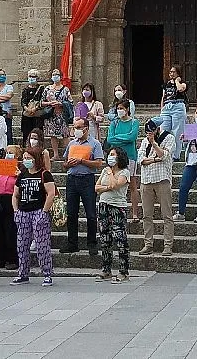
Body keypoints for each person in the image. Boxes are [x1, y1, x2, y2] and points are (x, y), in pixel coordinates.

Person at [12, 147, 56, 287]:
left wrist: (44, 211)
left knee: (42, 244)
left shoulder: (44, 174)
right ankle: (23, 273)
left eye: (29, 158)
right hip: (23, 212)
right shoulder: (22, 175)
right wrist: (16, 210)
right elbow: (15, 194)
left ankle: (47, 273)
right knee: (22, 244)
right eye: (24, 158)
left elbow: (51, 193)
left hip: (38, 211)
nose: (26, 161)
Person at [61, 118, 104, 255]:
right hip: (72, 179)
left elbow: (98, 163)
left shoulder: (94, 143)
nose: (76, 130)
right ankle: (72, 243)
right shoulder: (72, 143)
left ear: (86, 128)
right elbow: (64, 163)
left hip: (87, 179)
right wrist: (69, 164)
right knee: (71, 213)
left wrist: (82, 161)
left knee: (91, 214)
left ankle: (92, 243)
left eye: (79, 127)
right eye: (75, 127)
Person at [137, 119, 176, 256]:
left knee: (167, 214)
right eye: (147, 132)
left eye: (151, 131)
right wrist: (154, 160)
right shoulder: (143, 141)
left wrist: (154, 143)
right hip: (146, 180)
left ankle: (168, 245)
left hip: (162, 179)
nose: (149, 134)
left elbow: (164, 155)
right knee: (147, 215)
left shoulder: (169, 138)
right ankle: (148, 244)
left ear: (157, 129)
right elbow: (141, 160)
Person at [95, 147, 131, 283]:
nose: (110, 157)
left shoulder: (124, 172)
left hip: (117, 207)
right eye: (109, 154)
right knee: (105, 238)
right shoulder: (104, 171)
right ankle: (106, 269)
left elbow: (115, 185)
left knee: (120, 239)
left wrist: (110, 173)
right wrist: (107, 187)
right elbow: (96, 187)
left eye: (112, 155)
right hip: (103, 205)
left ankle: (123, 271)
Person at [105, 100, 140, 222]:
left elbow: (132, 137)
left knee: (132, 185)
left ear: (127, 109)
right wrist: (124, 139)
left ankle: (135, 213)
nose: (119, 110)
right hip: (116, 156)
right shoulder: (114, 123)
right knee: (115, 183)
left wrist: (118, 138)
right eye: (117, 108)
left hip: (130, 156)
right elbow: (110, 139)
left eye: (121, 108)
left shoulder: (134, 122)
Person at [0, 145, 20, 270]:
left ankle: (12, 258)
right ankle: (0, 258)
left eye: (11, 153)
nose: (8, 154)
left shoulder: (19, 168)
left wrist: (18, 174)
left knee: (10, 230)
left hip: (11, 199)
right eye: (6, 152)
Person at [154, 65, 188, 157]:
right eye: (170, 72)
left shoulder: (182, 83)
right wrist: (162, 109)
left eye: (173, 72)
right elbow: (163, 96)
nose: (171, 73)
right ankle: (163, 152)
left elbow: (181, 89)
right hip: (167, 107)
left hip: (178, 106)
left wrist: (177, 81)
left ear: (178, 73)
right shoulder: (166, 84)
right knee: (164, 130)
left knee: (177, 131)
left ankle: (175, 155)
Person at [42, 68, 71, 157]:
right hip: (51, 114)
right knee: (52, 134)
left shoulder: (65, 89)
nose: (55, 76)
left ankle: (68, 154)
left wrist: (61, 103)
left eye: (57, 74)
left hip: (62, 114)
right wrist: (50, 103)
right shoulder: (47, 88)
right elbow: (42, 102)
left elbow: (70, 102)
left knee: (65, 134)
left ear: (61, 76)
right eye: (54, 74)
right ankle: (55, 154)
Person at [20, 69, 46, 145]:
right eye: (30, 76)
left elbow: (42, 99)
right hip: (27, 115)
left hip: (37, 115)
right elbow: (23, 101)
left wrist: (35, 108)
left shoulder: (41, 88)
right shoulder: (25, 89)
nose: (31, 78)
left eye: (33, 76)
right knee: (26, 133)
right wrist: (27, 109)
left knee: (38, 133)